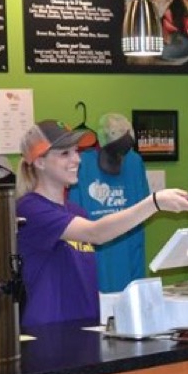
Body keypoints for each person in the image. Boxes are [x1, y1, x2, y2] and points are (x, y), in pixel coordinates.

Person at [15, 119, 188, 326]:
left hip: (85, 327)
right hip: (48, 332)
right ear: (39, 162)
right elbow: (96, 233)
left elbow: (80, 279)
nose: (76, 160)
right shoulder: (30, 209)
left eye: (76, 151)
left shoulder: (75, 211)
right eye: (65, 154)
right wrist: (154, 202)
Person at [67, 113, 150, 292]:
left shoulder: (135, 163)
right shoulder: (79, 164)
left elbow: (145, 206)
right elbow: (74, 216)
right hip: (96, 255)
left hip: (129, 252)